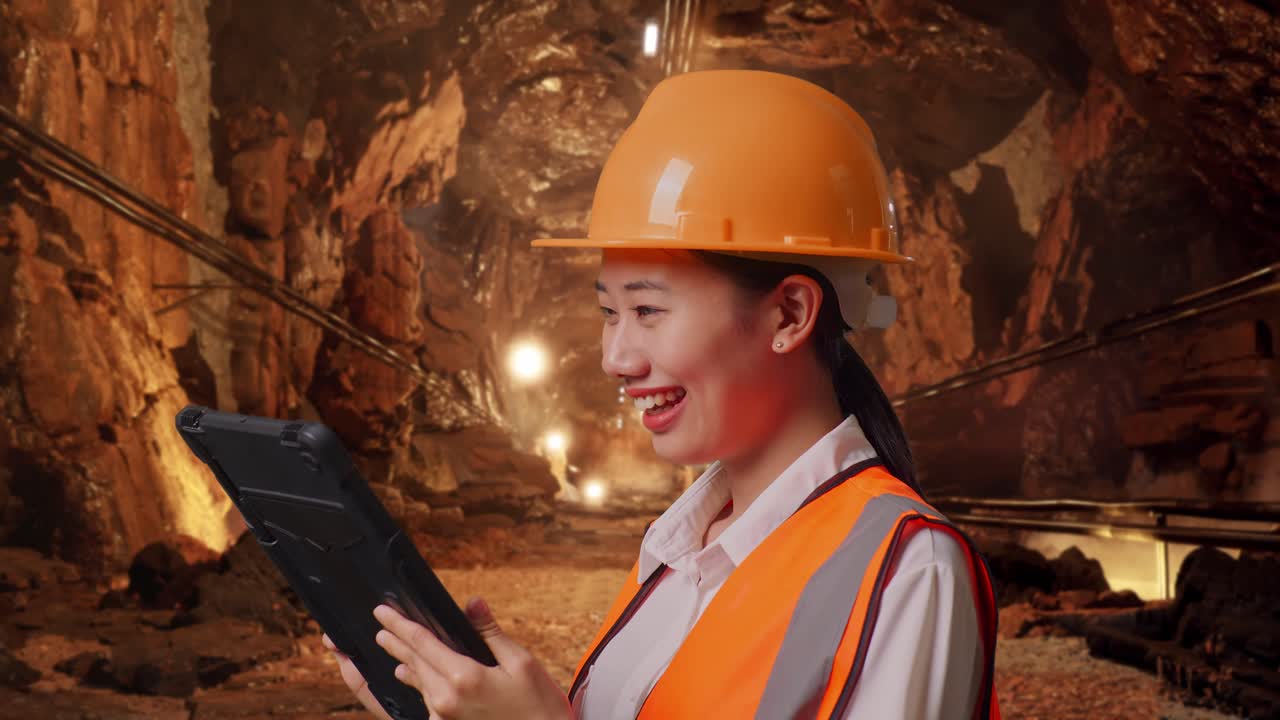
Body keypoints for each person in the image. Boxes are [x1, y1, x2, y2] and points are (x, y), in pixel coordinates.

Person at [324, 69, 1001, 720]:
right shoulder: (682, 548)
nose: (615, 358)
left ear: (789, 315)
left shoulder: (911, 570)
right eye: (609, 313)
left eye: (647, 311)